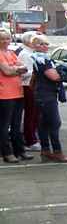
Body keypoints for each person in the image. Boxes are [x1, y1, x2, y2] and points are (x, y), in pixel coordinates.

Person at [31, 35, 67, 163]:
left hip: (42, 93)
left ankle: (46, 150)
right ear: (35, 45)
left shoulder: (40, 58)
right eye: (41, 44)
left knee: (44, 123)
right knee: (54, 122)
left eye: (46, 44)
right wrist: (61, 73)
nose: (45, 46)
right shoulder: (42, 59)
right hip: (46, 94)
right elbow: (53, 76)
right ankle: (57, 151)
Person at [0, 28, 30, 163]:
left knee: (17, 124)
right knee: (4, 125)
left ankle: (20, 150)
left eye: (7, 38)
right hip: (4, 94)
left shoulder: (11, 53)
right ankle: (7, 153)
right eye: (2, 38)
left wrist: (15, 69)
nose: (6, 41)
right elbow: (6, 71)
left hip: (18, 92)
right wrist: (17, 69)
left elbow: (24, 68)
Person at [17, 32, 40, 151]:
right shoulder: (25, 54)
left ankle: (32, 137)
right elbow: (23, 73)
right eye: (34, 40)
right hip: (28, 86)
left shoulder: (31, 53)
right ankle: (30, 140)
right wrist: (37, 73)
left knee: (34, 113)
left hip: (32, 86)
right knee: (31, 113)